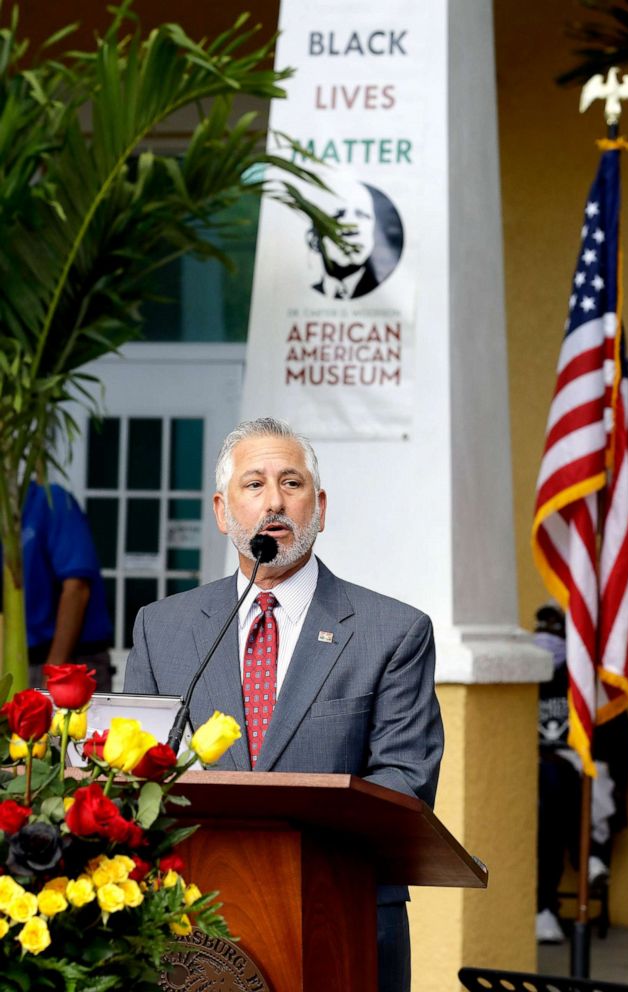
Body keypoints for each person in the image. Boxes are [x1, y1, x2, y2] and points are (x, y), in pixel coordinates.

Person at [124, 416, 443, 992]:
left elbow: (406, 782)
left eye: (291, 484)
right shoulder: (161, 628)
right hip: (191, 927)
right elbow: (137, 772)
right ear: (223, 511)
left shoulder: (392, 631)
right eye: (254, 485)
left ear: (319, 507)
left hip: (340, 915)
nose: (274, 501)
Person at [535, 602, 628, 943]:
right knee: (547, 786)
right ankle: (585, 860)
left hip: (574, 778)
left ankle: (578, 869)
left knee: (575, 781)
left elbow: (616, 740)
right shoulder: (529, 682)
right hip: (536, 778)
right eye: (542, 630)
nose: (546, 639)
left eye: (554, 631)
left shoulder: (584, 686)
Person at [0, 481, 113, 690]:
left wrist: (53, 672)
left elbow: (77, 588)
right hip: (15, 663)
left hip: (70, 661)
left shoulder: (49, 500)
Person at [305, 170, 404, 299]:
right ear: (314, 234)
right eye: (338, 215)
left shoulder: (391, 296)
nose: (350, 227)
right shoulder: (297, 292)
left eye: (362, 215)